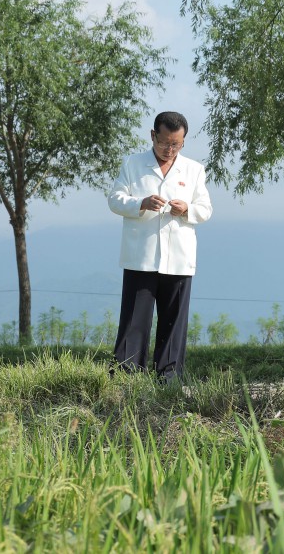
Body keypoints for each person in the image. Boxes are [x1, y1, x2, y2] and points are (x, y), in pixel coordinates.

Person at [108, 111, 213, 380]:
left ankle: (169, 378)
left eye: (176, 144)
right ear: (153, 135)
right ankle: (126, 375)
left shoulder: (194, 170)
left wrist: (187, 208)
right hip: (140, 255)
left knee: (174, 322)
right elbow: (115, 199)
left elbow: (205, 209)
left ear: (184, 142)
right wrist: (140, 203)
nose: (169, 149)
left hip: (179, 258)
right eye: (164, 142)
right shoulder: (132, 164)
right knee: (134, 321)